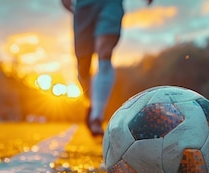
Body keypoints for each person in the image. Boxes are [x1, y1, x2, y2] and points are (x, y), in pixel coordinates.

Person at [62, 0, 153, 137]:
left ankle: (96, 117)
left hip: (111, 4)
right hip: (84, 5)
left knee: (104, 53)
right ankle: (90, 102)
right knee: (83, 66)